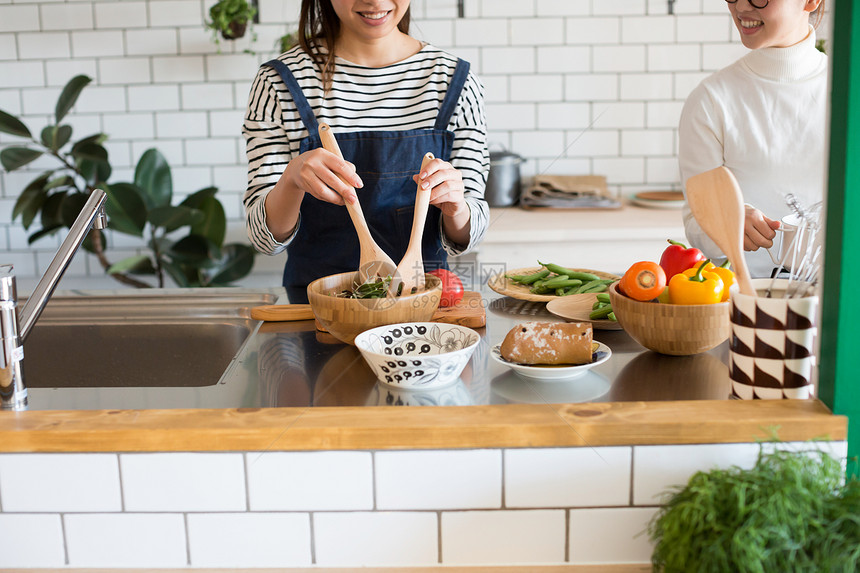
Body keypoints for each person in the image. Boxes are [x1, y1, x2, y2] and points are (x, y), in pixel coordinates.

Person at [242, 0, 489, 302]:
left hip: (421, 304)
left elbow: (470, 230)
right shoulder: (277, 83)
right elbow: (263, 238)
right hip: (319, 314)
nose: (375, 1)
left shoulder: (455, 81)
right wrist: (292, 179)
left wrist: (457, 208)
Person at [679, 0, 827, 278]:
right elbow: (695, 221)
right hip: (744, 303)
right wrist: (727, 221)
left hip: (840, 303)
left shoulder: (846, 91)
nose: (742, 7)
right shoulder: (711, 100)